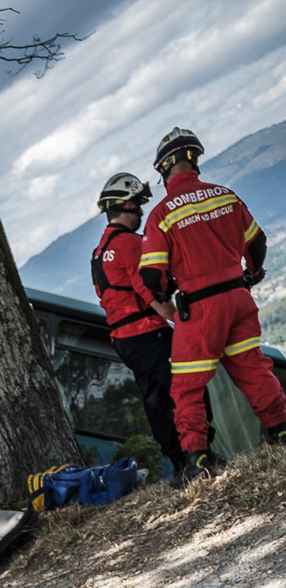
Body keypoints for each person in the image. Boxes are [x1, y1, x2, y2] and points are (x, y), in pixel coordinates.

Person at [139, 127, 286, 482]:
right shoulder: (226, 196)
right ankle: (281, 431)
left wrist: (166, 291)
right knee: (252, 367)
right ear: (194, 160)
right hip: (238, 298)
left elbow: (151, 275)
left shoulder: (161, 214)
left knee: (187, 386)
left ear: (164, 169)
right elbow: (258, 243)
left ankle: (198, 459)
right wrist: (251, 274)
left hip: (200, 309)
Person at [91, 172, 184, 475]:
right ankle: (199, 454)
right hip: (148, 333)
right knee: (186, 388)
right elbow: (149, 291)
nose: (142, 212)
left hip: (125, 340)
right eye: (138, 205)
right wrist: (179, 320)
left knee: (156, 399)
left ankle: (179, 461)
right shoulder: (132, 244)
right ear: (126, 207)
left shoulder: (99, 252)